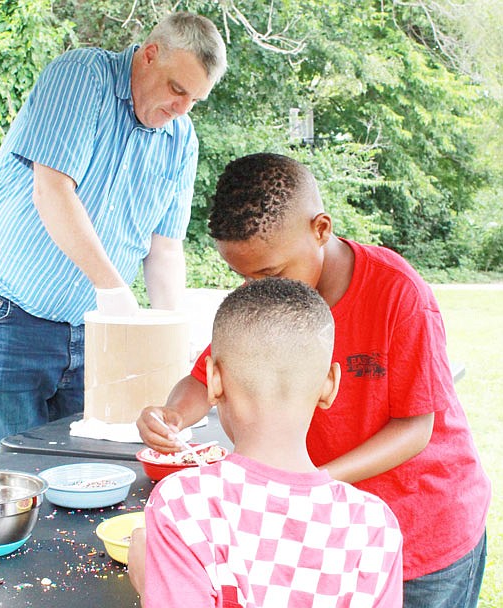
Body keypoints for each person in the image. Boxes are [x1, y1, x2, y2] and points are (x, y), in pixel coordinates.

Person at [137, 153, 491, 607]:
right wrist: (172, 415)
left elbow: (414, 429)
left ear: (320, 229)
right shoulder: (268, 300)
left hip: (422, 530)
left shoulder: (398, 294)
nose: (255, 287)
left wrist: (314, 483)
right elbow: (210, 373)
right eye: (242, 276)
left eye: (269, 272)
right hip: (323, 525)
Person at [0, 12, 227, 459]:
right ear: (150, 54)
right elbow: (52, 192)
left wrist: (174, 343)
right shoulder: (81, 78)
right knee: (4, 473)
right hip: (8, 312)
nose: (181, 109)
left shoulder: (181, 138)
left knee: (86, 467)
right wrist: (113, 289)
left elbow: (164, 250)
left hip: (94, 327)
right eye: (177, 90)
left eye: (194, 99)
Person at [128, 277, 404, 607]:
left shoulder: (183, 504)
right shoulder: (374, 524)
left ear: (213, 380)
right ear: (330, 385)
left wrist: (149, 582)